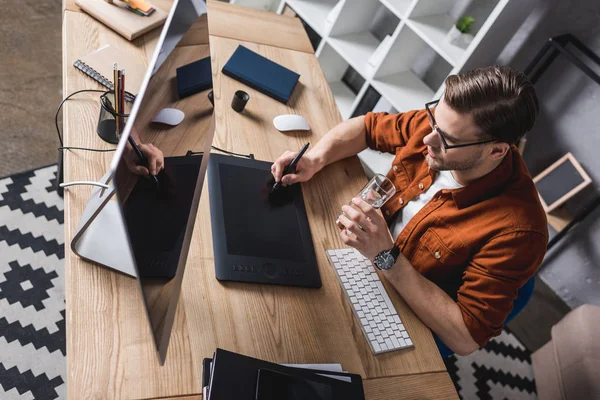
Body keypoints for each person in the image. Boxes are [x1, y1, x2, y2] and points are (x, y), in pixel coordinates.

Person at [271, 66, 548, 356]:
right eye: (432, 119)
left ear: (496, 151)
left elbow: (466, 337)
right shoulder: (439, 129)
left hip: (402, 309)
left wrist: (385, 256)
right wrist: (316, 157)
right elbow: (367, 128)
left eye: (448, 139)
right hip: (361, 260)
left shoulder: (519, 232)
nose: (428, 139)